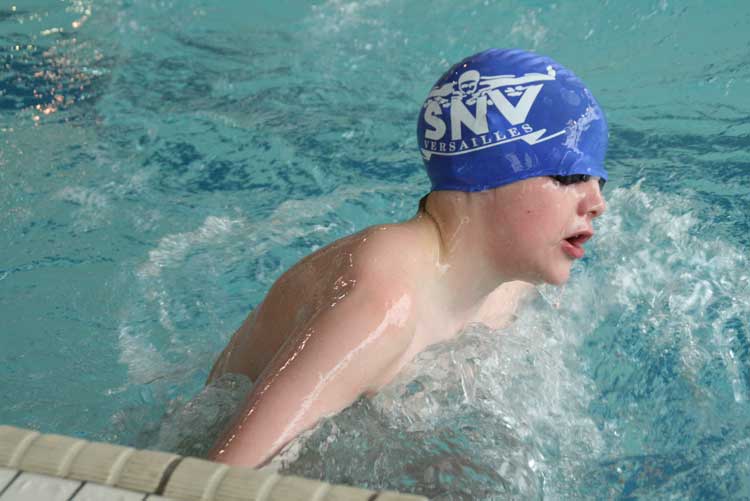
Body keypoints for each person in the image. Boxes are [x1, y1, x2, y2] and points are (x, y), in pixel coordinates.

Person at [207, 48, 608, 467]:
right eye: (570, 176)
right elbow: (220, 482)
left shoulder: (510, 288)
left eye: (599, 180)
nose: (597, 203)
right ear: (487, 172)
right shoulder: (381, 307)